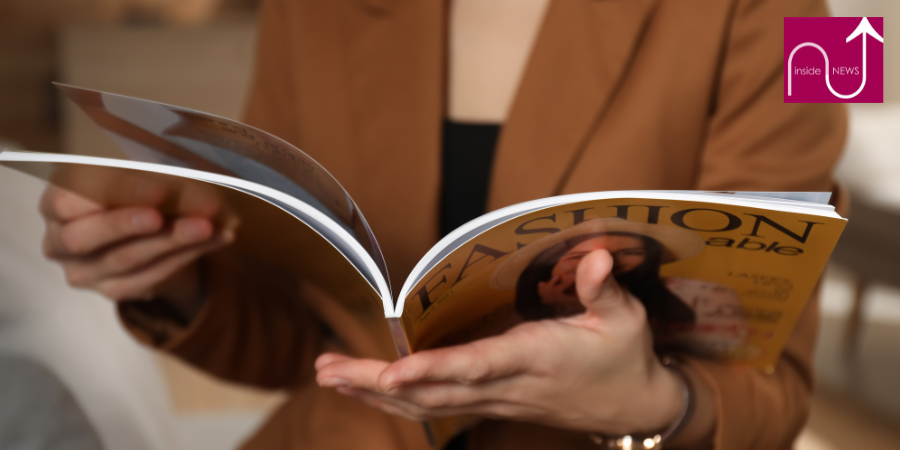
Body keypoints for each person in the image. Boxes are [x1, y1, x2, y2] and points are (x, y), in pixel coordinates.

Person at [39, 0, 847, 449]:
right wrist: (175, 272)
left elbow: (776, 393)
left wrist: (644, 403)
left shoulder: (807, 23)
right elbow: (306, 339)